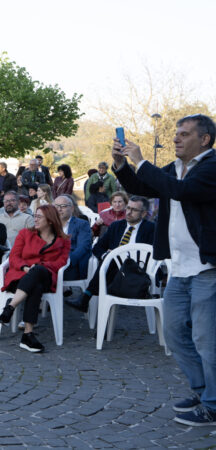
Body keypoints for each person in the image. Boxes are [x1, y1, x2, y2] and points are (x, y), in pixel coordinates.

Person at [112, 114, 216, 426]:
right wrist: (121, 164)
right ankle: (202, 390)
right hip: (179, 267)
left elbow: (181, 192)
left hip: (207, 267)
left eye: (184, 134)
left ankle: (214, 404)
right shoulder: (175, 168)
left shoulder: (211, 167)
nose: (176, 139)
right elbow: (143, 186)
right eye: (176, 134)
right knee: (172, 333)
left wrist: (142, 160)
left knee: (205, 339)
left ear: (205, 140)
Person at [0, 204, 71, 353]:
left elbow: (61, 262)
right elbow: (14, 257)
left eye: (39, 217)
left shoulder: (63, 240)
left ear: (50, 220)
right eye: (35, 216)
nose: (34, 219)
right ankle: (27, 335)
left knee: (38, 271)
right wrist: (25, 267)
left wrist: (39, 266)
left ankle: (10, 306)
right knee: (34, 287)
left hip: (46, 276)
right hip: (19, 276)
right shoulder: (25, 233)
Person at [65, 196, 155, 312]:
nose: (129, 212)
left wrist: (120, 256)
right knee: (109, 259)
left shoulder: (151, 228)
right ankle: (93, 303)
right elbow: (98, 247)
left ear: (143, 214)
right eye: (128, 208)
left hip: (138, 270)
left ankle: (86, 296)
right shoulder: (116, 226)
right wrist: (105, 256)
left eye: (134, 210)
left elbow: (152, 254)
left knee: (111, 259)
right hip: (114, 269)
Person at [54, 194, 92, 281]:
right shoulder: (50, 224)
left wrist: (67, 260)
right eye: (56, 206)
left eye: (63, 206)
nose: (59, 209)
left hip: (70, 263)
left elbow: (83, 247)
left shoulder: (82, 224)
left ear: (71, 208)